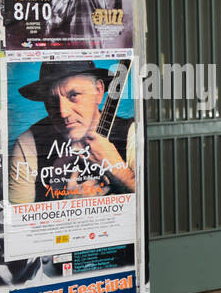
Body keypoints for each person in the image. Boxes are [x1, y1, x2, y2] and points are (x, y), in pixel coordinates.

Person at [8, 60, 136, 206]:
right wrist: (65, 203)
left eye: (74, 95)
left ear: (99, 91)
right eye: (52, 100)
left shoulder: (130, 133)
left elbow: (154, 206)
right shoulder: (28, 144)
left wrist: (118, 170)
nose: (63, 112)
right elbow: (17, 222)